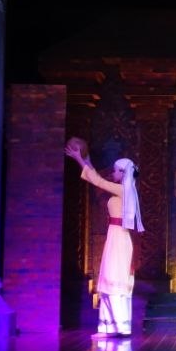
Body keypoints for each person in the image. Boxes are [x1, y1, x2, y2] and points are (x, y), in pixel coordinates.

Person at [66, 143, 144, 336]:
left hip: (119, 238)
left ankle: (119, 326)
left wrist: (78, 159)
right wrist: (86, 161)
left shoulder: (124, 190)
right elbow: (99, 179)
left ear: (123, 173)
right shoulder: (124, 189)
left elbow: (99, 182)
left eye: (116, 171)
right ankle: (109, 326)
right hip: (116, 237)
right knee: (110, 279)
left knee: (115, 280)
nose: (113, 173)